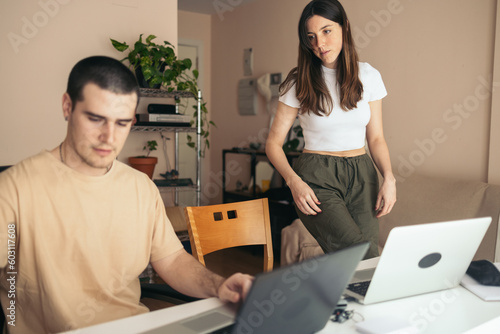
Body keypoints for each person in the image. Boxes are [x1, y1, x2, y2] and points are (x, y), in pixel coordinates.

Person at [0, 56, 253, 333]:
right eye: (96, 119)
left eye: (122, 123)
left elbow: (171, 260)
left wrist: (219, 285)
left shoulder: (140, 187)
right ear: (67, 107)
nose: (109, 137)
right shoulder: (15, 188)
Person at [266, 0, 396, 259]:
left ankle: (338, 299)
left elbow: (377, 138)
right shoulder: (297, 82)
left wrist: (389, 178)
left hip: (362, 175)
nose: (319, 44)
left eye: (327, 31)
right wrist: (294, 183)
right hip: (317, 177)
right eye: (311, 37)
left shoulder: (368, 76)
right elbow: (272, 144)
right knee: (362, 255)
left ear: (344, 27)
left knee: (361, 264)